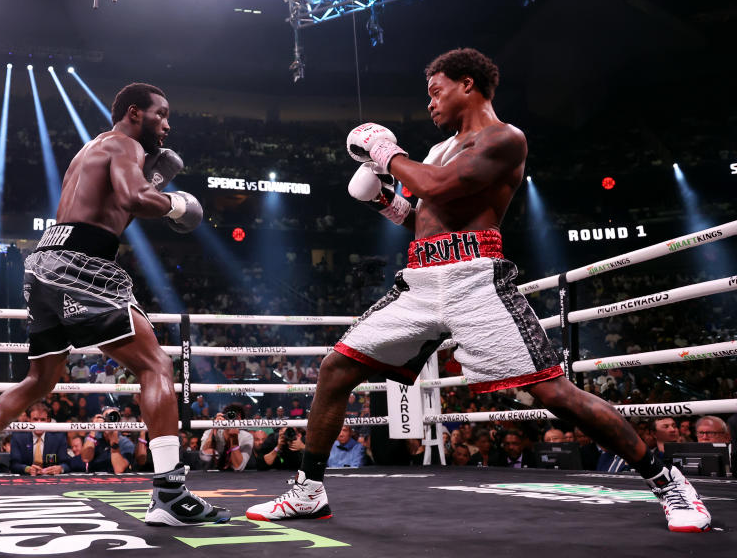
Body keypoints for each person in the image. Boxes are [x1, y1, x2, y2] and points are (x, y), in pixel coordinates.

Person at [246, 48, 711, 533]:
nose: (430, 103)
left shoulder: (505, 138)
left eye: (435, 90)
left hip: (476, 279)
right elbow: (423, 218)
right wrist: (384, 200)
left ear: (467, 84)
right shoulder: (436, 151)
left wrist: (388, 154)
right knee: (336, 367)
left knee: (551, 391)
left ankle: (668, 480)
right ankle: (309, 491)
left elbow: (443, 187)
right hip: (421, 280)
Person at [0, 82, 229, 526]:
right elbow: (132, 200)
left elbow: (114, 208)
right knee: (155, 365)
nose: (167, 125)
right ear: (134, 112)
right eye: (161, 115)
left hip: (44, 262)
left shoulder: (96, 149)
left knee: (40, 379)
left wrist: (154, 181)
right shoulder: (124, 143)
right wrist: (174, 203)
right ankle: (169, 492)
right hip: (82, 263)